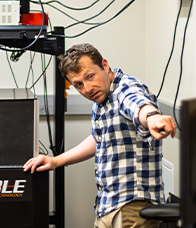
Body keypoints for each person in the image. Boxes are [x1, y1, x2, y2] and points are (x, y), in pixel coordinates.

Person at [23, 43, 177, 228]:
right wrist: (56, 161)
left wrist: (152, 117)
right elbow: (98, 139)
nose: (87, 88)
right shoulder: (101, 98)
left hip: (131, 206)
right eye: (79, 84)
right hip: (108, 206)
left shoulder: (125, 88)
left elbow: (137, 104)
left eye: (90, 76)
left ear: (104, 65)